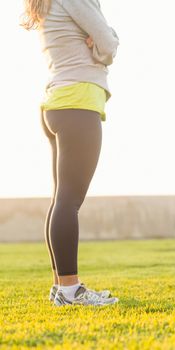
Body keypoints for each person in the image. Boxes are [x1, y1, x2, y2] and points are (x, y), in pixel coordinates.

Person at [22, 0, 119, 306]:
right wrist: (100, 46)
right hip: (78, 101)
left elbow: (99, 39)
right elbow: (108, 43)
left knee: (61, 199)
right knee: (68, 201)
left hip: (58, 102)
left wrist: (98, 42)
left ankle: (61, 288)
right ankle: (69, 289)